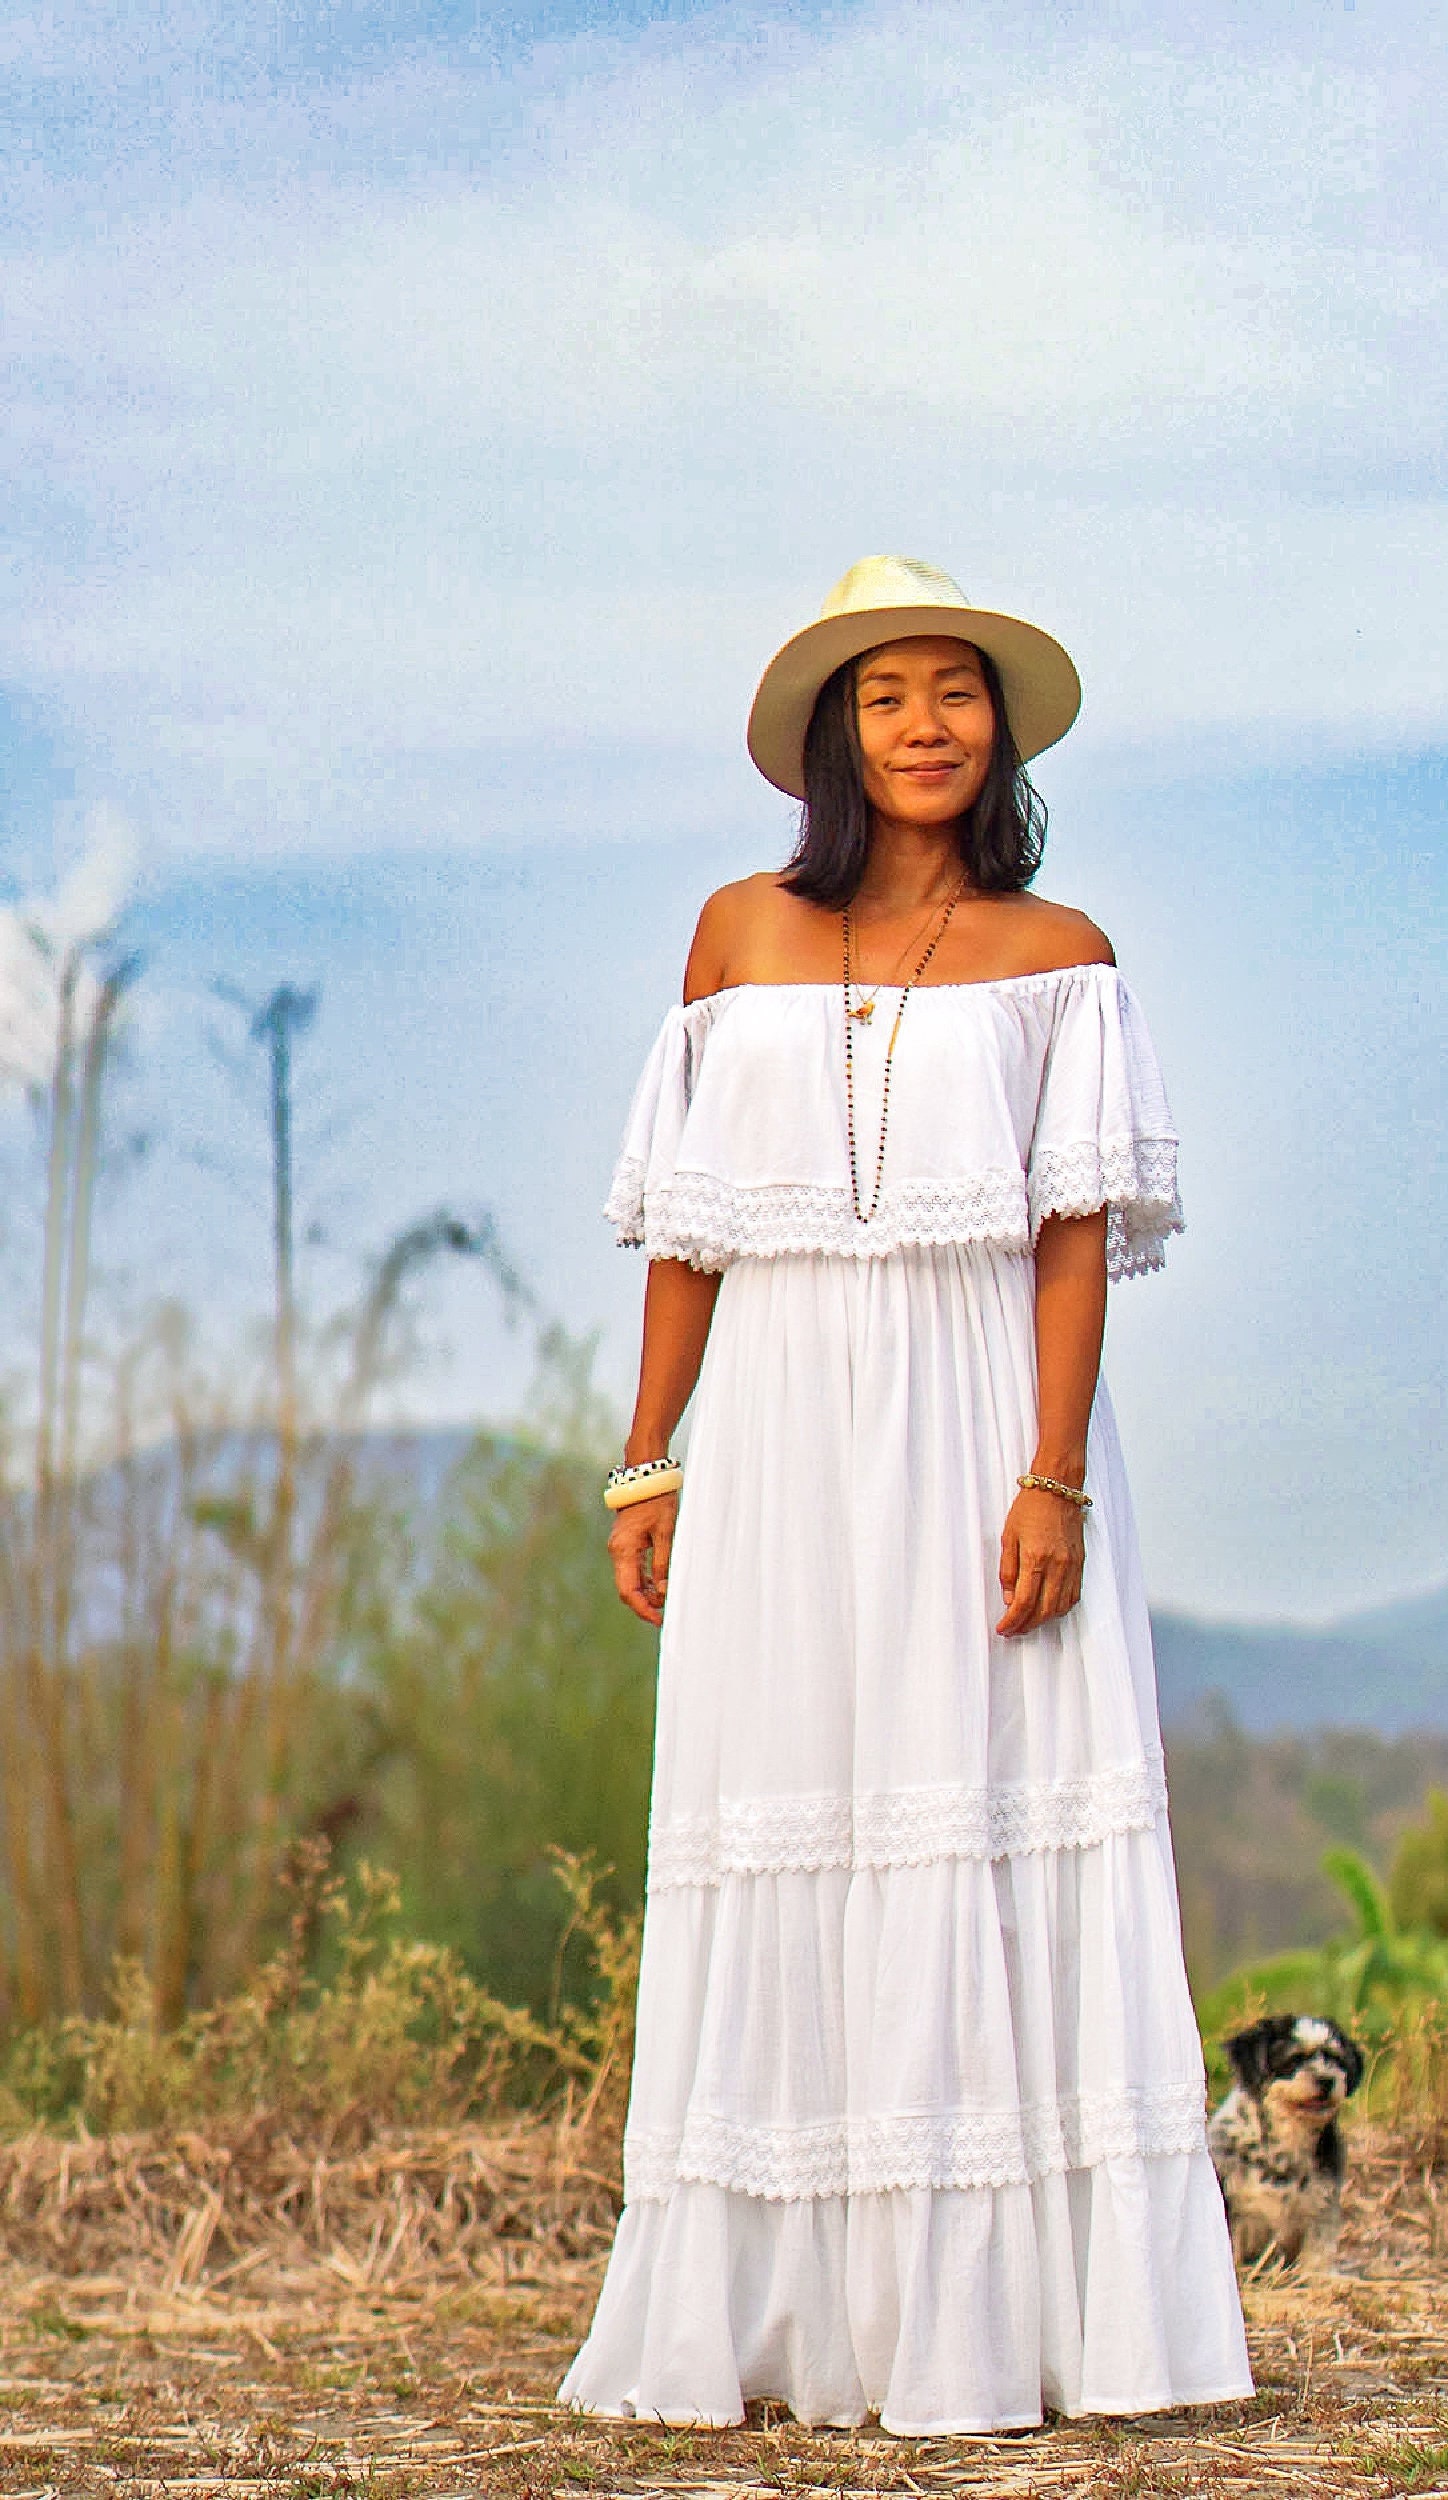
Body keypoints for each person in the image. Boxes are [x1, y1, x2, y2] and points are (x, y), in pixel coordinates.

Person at [558, 556, 1253, 2436]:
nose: (928, 723)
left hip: (975, 1423)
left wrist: (1052, 1475)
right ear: (833, 739)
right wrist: (651, 1453)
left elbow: (1072, 1241)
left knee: (985, 1804)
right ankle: (783, 2319)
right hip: (780, 1428)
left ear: (997, 732)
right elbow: (689, 1234)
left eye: (958, 692)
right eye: (889, 696)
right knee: (792, 1798)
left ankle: (1011, 2324)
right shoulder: (731, 936)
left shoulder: (1062, 954)